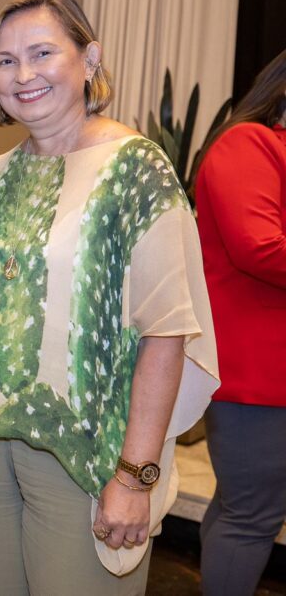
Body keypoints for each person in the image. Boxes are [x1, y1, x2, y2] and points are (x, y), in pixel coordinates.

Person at [0, 0, 220, 595]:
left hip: (90, 456)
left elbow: (166, 331)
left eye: (42, 52)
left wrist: (135, 477)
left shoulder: (137, 170)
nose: (24, 74)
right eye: (6, 60)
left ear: (89, 58)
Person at [195, 48, 286, 595]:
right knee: (251, 517)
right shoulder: (247, 142)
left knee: (243, 507)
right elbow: (261, 248)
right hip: (257, 377)